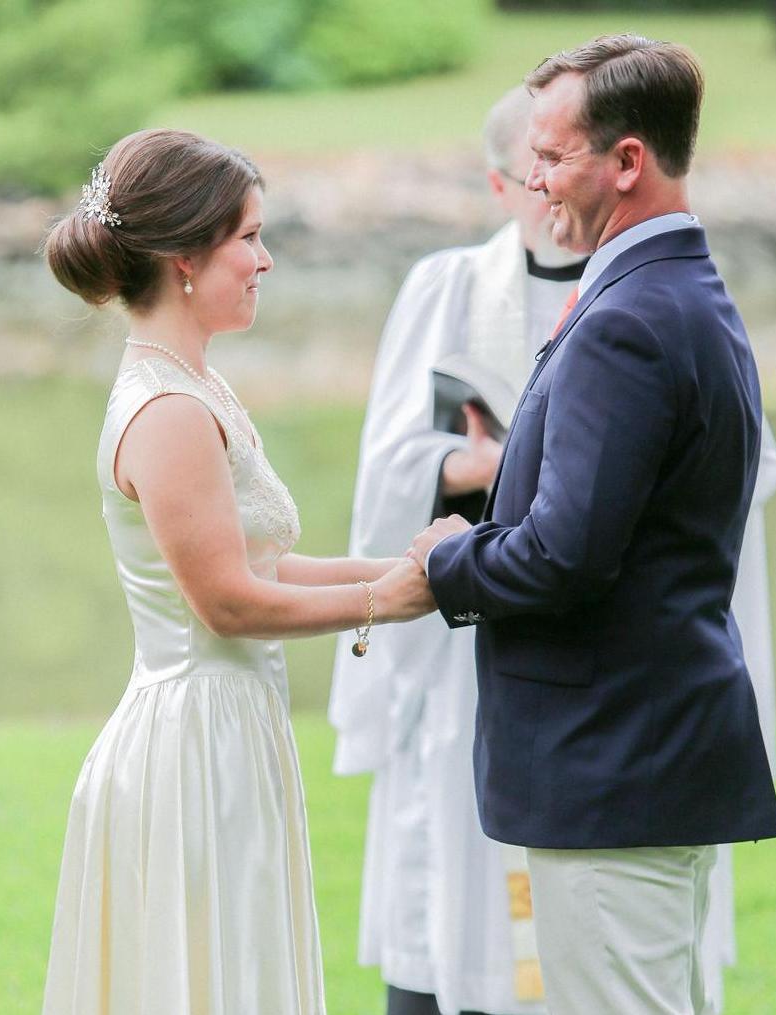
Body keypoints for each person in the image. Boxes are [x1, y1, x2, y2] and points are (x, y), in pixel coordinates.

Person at [403, 35, 776, 1015]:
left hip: (612, 761)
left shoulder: (628, 319)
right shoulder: (674, 292)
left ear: (626, 161)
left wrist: (452, 560)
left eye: (552, 154)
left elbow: (563, 553)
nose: (533, 180)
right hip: (644, 754)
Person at [39, 129, 433, 1015]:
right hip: (192, 746)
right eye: (249, 237)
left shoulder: (195, 383)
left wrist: (416, 567)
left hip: (233, 728)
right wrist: (383, 600)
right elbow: (223, 601)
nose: (266, 260)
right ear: (185, 256)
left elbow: (264, 558)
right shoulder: (169, 408)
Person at [328, 87, 586, 1015]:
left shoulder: (638, 286)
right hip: (459, 642)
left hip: (588, 636)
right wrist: (467, 460)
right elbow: (389, 459)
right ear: (498, 180)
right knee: (448, 869)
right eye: (533, 166)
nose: (551, 185)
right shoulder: (447, 286)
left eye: (570, 158)